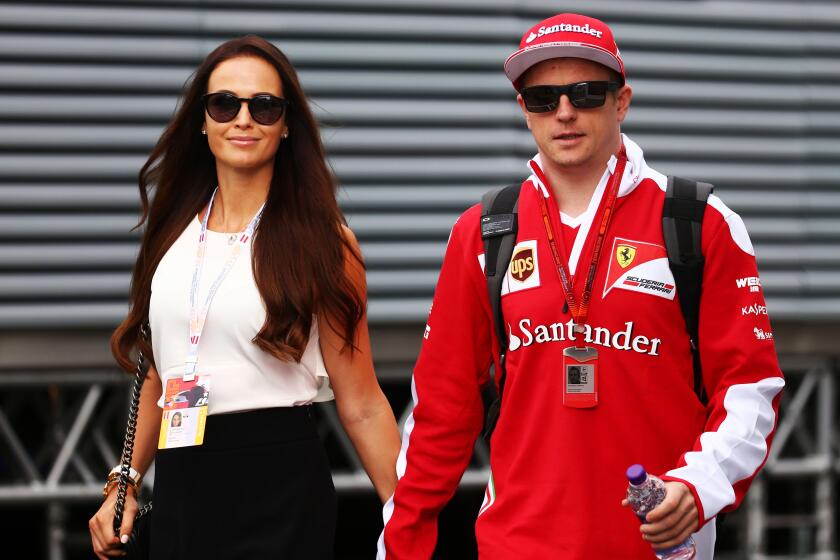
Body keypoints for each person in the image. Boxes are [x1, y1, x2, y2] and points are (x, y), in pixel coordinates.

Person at [378, 13, 784, 560]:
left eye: (586, 92)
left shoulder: (698, 220)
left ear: (623, 101)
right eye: (543, 97)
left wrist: (699, 485)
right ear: (525, 110)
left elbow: (749, 390)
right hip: (515, 546)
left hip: (661, 549)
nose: (564, 111)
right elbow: (440, 414)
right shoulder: (483, 230)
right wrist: (400, 547)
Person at [88, 35, 401, 559]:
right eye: (224, 103)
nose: (243, 119)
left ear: (285, 127)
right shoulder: (171, 234)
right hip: (184, 484)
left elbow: (364, 404)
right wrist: (125, 480)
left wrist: (410, 518)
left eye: (264, 106)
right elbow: (158, 373)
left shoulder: (325, 243)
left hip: (279, 483)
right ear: (203, 121)